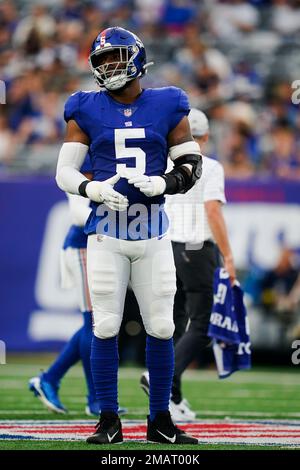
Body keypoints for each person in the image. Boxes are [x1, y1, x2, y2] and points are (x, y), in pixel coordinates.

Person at [55, 27, 202, 445]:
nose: (108, 67)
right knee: (105, 326)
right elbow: (63, 171)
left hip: (153, 233)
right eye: (100, 61)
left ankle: (160, 421)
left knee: (159, 325)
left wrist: (165, 184)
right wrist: (92, 188)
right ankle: (108, 421)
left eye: (115, 58)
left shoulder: (169, 102)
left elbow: (192, 164)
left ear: (137, 57)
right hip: (105, 233)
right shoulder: (83, 107)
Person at [141, 109, 236, 421]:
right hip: (196, 248)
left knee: (175, 324)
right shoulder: (209, 166)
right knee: (201, 325)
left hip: (166, 246)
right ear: (205, 137)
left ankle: (173, 398)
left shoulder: (166, 165)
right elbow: (212, 212)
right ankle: (160, 379)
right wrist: (229, 256)